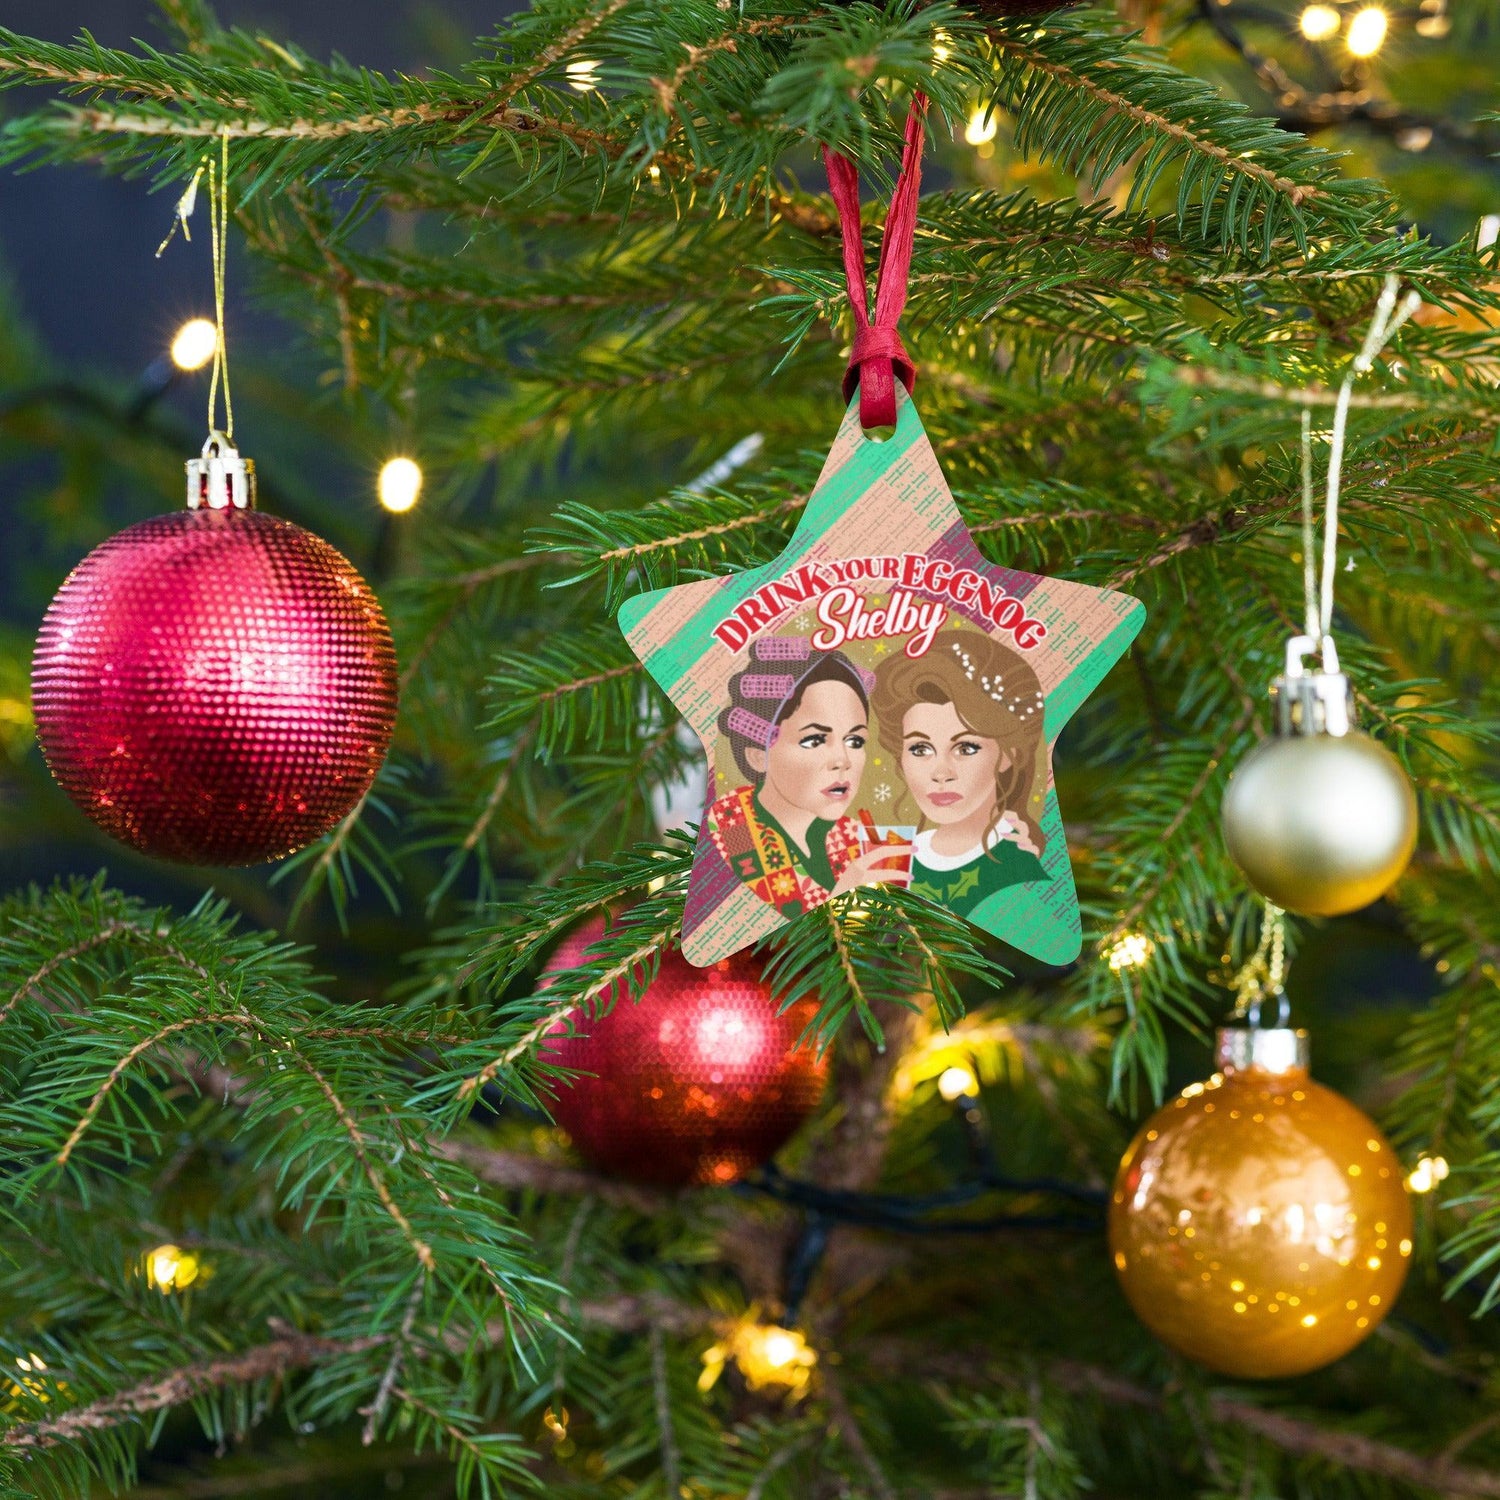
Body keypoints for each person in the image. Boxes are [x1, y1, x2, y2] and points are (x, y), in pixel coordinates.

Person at [707, 637, 910, 920]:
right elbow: (780, 911)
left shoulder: (852, 835)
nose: (843, 760)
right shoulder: (733, 821)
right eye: (814, 740)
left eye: (854, 741)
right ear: (758, 756)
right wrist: (844, 895)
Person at [870, 629, 1050, 917]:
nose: (941, 772)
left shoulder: (1018, 870)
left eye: (966, 748)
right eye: (920, 749)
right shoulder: (891, 859)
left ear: (1010, 755)